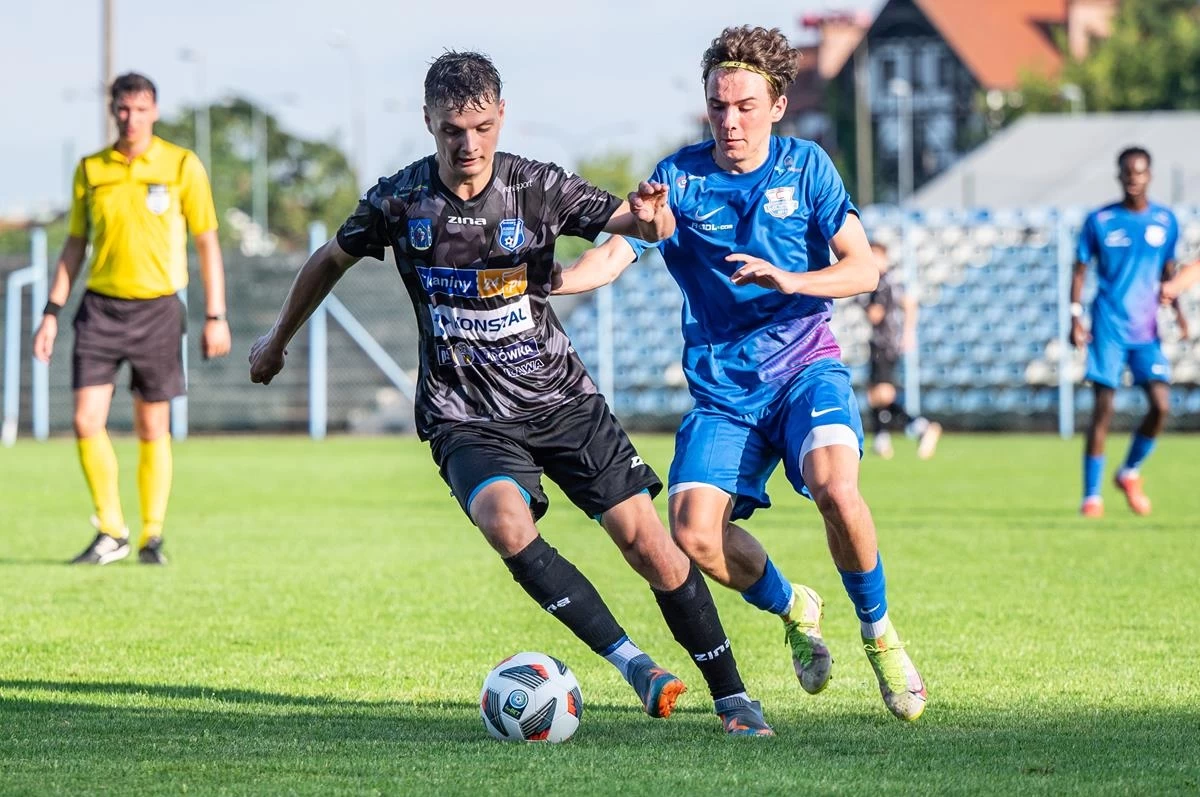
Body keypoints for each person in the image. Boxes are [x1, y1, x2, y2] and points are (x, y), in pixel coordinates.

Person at [249, 51, 772, 736]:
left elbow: (639, 227)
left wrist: (652, 219)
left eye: (481, 128)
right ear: (428, 122)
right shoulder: (399, 200)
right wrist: (276, 339)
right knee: (505, 523)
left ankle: (734, 698)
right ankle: (634, 664)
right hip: (465, 413)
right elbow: (328, 260)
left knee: (647, 543)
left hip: (561, 400)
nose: (468, 144)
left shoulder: (538, 187)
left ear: (501, 116)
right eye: (451, 130)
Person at [555, 25, 926, 722]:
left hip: (805, 368)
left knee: (835, 486)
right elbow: (613, 254)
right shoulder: (678, 179)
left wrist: (791, 278)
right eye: (718, 106)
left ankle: (879, 634)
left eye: (746, 106)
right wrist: (550, 280)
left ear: (778, 106)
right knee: (693, 533)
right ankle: (794, 606)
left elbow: (863, 268)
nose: (729, 121)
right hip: (724, 392)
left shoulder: (808, 167)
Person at [33, 72, 231, 566]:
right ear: (112, 111)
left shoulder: (181, 164)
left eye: (141, 109)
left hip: (158, 309)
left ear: (155, 112)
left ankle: (151, 535)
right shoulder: (91, 169)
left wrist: (216, 315)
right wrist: (51, 312)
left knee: (151, 424)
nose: (131, 118)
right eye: (123, 109)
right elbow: (74, 244)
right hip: (100, 308)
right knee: (85, 420)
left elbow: (207, 241)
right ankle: (111, 530)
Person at [1071, 147, 1188, 518]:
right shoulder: (1101, 220)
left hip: (1146, 329)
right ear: (1119, 175)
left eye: (1139, 172)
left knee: (1161, 405)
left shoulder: (1165, 221)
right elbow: (1079, 270)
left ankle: (1129, 471)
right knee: (1104, 408)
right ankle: (1092, 496)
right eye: (1127, 172)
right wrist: (1075, 316)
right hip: (1108, 325)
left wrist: (1179, 313)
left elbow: (1168, 272)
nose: (1133, 178)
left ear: (1149, 175)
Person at [859, 241, 941, 460]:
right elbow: (910, 304)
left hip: (883, 343)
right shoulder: (894, 281)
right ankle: (882, 440)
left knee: (882, 395)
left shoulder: (879, 283)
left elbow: (875, 315)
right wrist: (908, 332)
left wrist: (860, 300)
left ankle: (921, 427)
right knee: (874, 394)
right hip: (888, 343)